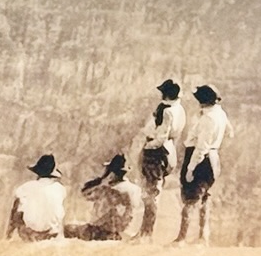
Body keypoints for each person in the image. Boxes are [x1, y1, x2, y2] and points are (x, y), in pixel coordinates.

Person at [175, 85, 232, 244]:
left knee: (190, 199)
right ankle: (203, 235)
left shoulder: (208, 119)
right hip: (213, 157)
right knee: (205, 197)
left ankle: (182, 237)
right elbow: (230, 130)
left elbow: (201, 147)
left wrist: (190, 169)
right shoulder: (219, 114)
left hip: (201, 159)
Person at [137, 78, 186, 238]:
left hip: (158, 151)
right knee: (154, 192)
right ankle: (146, 231)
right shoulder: (180, 109)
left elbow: (161, 136)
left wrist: (147, 147)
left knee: (151, 193)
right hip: (170, 150)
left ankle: (146, 232)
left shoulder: (167, 111)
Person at [70, 154, 145, 240]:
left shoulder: (107, 189)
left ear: (111, 172)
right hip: (122, 228)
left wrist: (101, 181)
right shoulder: (134, 189)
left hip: (104, 229)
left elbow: (85, 194)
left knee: (69, 229)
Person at [7, 154, 68, 241]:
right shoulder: (60, 189)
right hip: (51, 234)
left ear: (38, 174)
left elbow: (16, 214)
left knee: (18, 210)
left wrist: (9, 233)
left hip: (30, 233)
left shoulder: (25, 188)